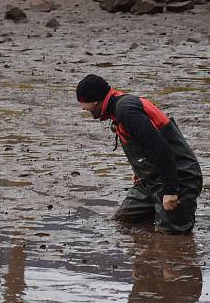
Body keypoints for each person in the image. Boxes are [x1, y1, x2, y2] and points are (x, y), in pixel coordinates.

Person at [76, 74, 202, 234]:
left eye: (83, 103)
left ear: (95, 100)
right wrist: (139, 173)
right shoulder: (118, 108)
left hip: (180, 178)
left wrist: (171, 191)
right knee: (124, 223)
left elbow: (160, 148)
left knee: (171, 238)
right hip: (151, 181)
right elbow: (143, 146)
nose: (82, 108)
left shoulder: (127, 111)